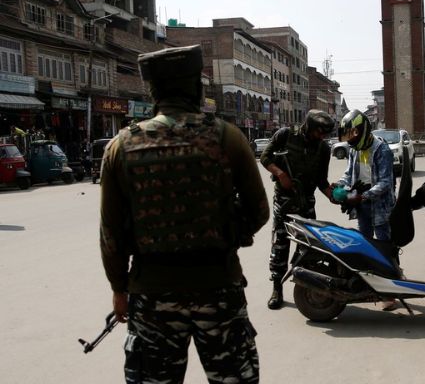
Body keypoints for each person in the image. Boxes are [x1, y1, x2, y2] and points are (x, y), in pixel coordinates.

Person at [99, 45, 268, 384]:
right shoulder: (227, 137)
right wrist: (225, 233)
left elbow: (111, 233)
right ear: (196, 87)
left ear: (153, 91)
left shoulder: (121, 146)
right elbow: (259, 211)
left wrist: (120, 289)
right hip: (219, 288)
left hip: (152, 292)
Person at [260, 109, 336, 310]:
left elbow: (321, 180)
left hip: (306, 205)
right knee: (280, 245)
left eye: (325, 134)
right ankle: (277, 288)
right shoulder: (285, 135)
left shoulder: (323, 149)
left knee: (309, 247)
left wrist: (332, 195)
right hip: (284, 203)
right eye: (319, 132)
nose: (322, 136)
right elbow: (265, 157)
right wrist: (280, 173)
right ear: (310, 126)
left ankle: (305, 285)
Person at [336, 110, 398, 311]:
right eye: (348, 134)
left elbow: (385, 183)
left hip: (380, 206)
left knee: (384, 246)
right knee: (365, 245)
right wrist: (339, 185)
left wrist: (363, 196)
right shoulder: (355, 150)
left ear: (362, 130)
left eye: (353, 133)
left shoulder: (382, 150)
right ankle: (372, 285)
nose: (351, 138)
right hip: (362, 204)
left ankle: (391, 291)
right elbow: (349, 173)